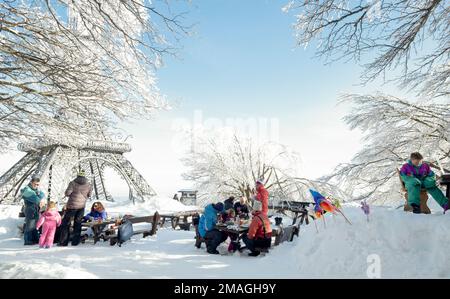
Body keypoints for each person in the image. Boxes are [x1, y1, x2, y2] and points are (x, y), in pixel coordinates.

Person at [58, 170, 92, 246]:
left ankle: (63, 242)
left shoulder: (72, 183)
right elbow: (89, 194)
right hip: (81, 207)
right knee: (78, 223)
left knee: (66, 223)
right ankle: (75, 242)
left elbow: (67, 193)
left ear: (78, 175)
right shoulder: (89, 184)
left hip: (71, 206)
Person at [21, 177, 45, 245]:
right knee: (30, 224)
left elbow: (42, 194)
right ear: (31, 183)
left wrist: (39, 196)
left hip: (36, 208)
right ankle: (28, 240)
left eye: (38, 185)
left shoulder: (35, 190)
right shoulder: (27, 190)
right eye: (35, 184)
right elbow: (35, 198)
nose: (36, 186)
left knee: (35, 224)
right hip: (30, 209)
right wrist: (39, 198)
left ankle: (34, 239)